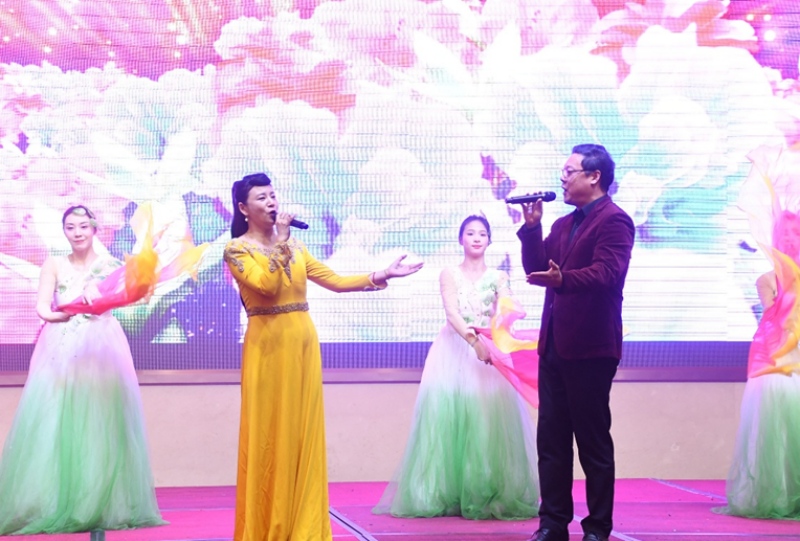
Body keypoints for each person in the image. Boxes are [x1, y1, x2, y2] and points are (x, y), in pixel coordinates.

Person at [223, 172, 423, 541]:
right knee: (271, 432)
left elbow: (335, 281)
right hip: (268, 350)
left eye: (272, 195)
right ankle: (269, 526)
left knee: (302, 431)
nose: (271, 202)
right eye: (261, 198)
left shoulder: (296, 247)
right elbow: (267, 285)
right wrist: (281, 242)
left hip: (303, 345)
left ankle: (303, 525)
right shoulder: (237, 250)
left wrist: (384, 274)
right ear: (243, 209)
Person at [0, 205, 166, 537]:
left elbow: (126, 299)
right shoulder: (54, 264)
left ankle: (98, 506)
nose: (77, 233)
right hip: (61, 346)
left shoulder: (111, 266)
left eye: (83, 226)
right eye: (70, 227)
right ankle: (54, 503)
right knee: (55, 421)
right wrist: (62, 314)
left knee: (100, 423)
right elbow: (42, 307)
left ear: (94, 229)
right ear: (64, 231)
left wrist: (107, 298)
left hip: (101, 348)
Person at [373, 215, 539, 520]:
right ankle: (445, 492)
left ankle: (484, 490)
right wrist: (473, 341)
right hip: (453, 351)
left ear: (489, 240)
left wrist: (507, 316)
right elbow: (452, 314)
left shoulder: (499, 277)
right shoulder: (449, 274)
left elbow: (505, 307)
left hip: (488, 354)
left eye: (482, 234)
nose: (476, 238)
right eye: (470, 233)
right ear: (461, 239)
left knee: (486, 421)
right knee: (447, 420)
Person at [519, 144, 635, 541]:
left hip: (591, 347)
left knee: (592, 441)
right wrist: (532, 229)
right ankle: (553, 523)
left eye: (569, 171)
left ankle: (597, 527)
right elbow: (537, 269)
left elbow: (607, 273)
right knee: (551, 440)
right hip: (553, 345)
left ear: (594, 176)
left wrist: (563, 280)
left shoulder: (615, 221)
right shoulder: (562, 224)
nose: (562, 178)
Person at [717, 209, 800, 519]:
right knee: (777, 430)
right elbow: (773, 321)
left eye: (796, 234)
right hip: (777, 362)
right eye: (785, 235)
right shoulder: (767, 280)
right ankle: (777, 494)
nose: (790, 240)